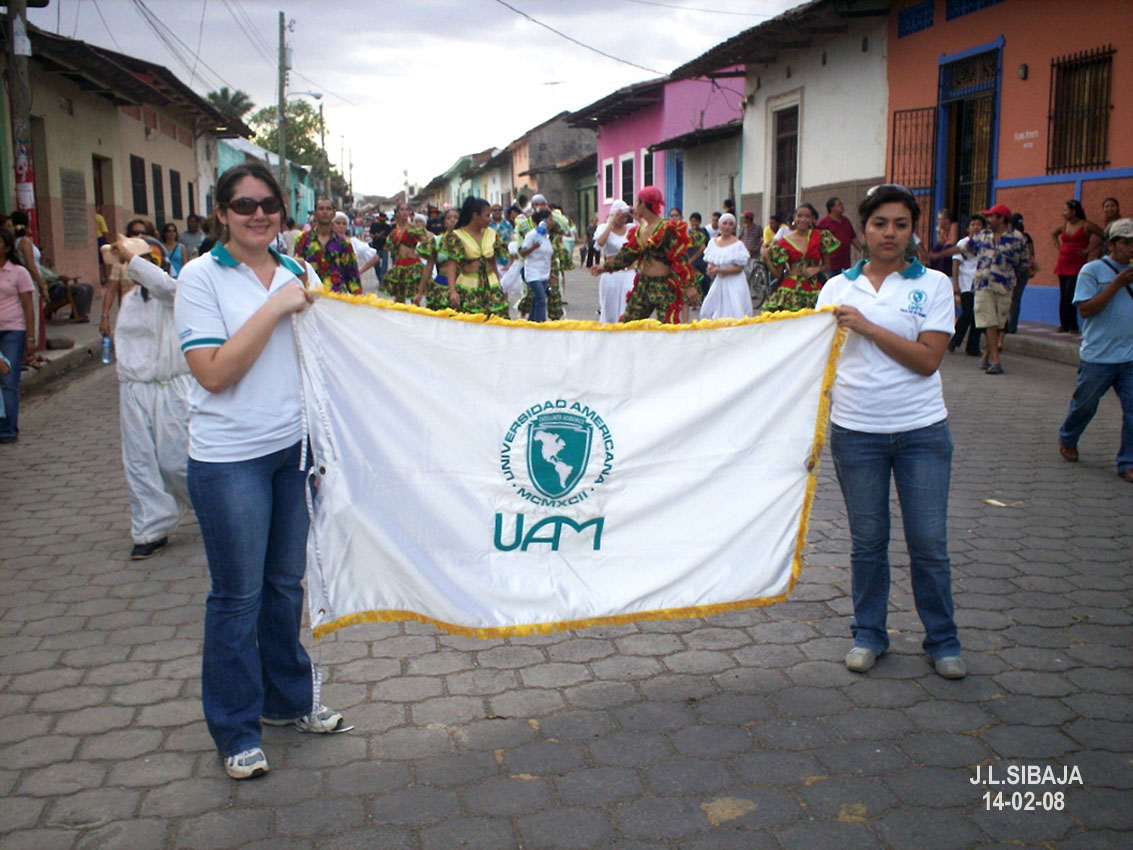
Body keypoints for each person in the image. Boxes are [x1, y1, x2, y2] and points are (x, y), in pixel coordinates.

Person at [174, 161, 345, 781]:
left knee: (283, 587)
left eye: (268, 204)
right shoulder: (198, 278)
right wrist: (275, 306)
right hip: (229, 462)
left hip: (291, 455)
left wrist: (323, 449)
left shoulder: (300, 270)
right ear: (221, 212)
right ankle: (235, 729)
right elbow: (215, 372)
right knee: (236, 597)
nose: (258, 215)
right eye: (243, 205)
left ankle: (288, 700)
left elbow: (317, 366)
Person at [816, 183, 965, 680]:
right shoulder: (837, 288)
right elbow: (815, 361)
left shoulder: (935, 285)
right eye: (880, 224)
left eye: (901, 224)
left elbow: (927, 361)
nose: (890, 233)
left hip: (921, 431)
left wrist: (868, 327)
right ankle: (868, 634)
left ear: (912, 230)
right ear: (864, 229)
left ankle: (942, 641)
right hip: (856, 432)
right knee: (867, 541)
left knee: (928, 543)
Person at [100, 235, 192, 560]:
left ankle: (215, 505)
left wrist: (134, 258)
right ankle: (150, 528)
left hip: (170, 390)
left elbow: (164, 286)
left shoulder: (176, 292)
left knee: (175, 461)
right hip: (134, 390)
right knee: (139, 462)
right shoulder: (131, 300)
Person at [1057, 218, 1133, 483]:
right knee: (1085, 406)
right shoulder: (1092, 271)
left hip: (1129, 356)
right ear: (1112, 244)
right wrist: (1117, 284)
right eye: (1126, 242)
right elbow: (1086, 310)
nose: (1131, 248)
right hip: (1099, 356)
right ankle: (1068, 437)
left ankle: (1127, 461)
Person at [590, 186, 700, 323]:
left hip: (664, 286)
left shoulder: (666, 228)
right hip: (644, 285)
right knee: (628, 325)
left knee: (668, 329)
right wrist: (604, 267)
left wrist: (689, 285)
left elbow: (680, 259)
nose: (634, 207)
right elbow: (627, 255)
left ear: (643, 204)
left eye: (637, 202)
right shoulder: (640, 230)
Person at [964, 203, 1030, 375]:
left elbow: (1025, 264)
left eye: (991, 216)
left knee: (997, 323)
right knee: (988, 321)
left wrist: (1017, 286)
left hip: (1005, 286)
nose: (987, 219)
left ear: (1001, 219)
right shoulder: (982, 236)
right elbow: (965, 250)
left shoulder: (1018, 238)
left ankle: (985, 356)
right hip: (983, 284)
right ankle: (996, 361)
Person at [761, 202, 839, 312]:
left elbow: (827, 265)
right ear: (794, 218)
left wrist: (816, 269)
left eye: (807, 216)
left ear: (812, 219)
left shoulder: (820, 236)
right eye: (799, 216)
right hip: (791, 290)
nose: (803, 219)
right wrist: (767, 259)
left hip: (813, 288)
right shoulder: (784, 241)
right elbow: (778, 275)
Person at [439, 197, 510, 318]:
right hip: (468, 286)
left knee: (495, 323)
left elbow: (492, 263)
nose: (490, 219)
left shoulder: (492, 234)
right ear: (475, 216)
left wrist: (499, 286)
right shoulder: (458, 236)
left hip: (491, 285)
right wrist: (452, 291)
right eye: (487, 215)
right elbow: (452, 265)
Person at [0, 228, 35, 443]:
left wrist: (31, 337)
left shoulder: (19, 273)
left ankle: (8, 429)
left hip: (13, 330)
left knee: (8, 379)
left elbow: (28, 306)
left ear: (6, 247)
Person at [1051, 199, 1104, 333]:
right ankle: (1064, 324)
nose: (1064, 213)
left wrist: (1089, 249)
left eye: (1066, 210)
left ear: (1074, 211)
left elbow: (1103, 235)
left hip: (1077, 263)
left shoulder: (1086, 225)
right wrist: (1058, 246)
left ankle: (1073, 324)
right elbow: (1054, 234)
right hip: (1063, 261)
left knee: (1070, 293)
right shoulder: (1065, 225)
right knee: (1063, 293)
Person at [293, 198, 362, 294]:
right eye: (321, 209)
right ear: (315, 214)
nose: (325, 212)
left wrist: (357, 303)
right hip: (311, 297)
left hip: (337, 298)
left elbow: (352, 275)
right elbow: (297, 269)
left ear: (333, 214)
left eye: (328, 209)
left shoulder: (344, 244)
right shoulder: (302, 240)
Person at [10, 211, 48, 366]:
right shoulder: (24, 242)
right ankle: (29, 355)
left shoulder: (16, 241)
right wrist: (42, 284)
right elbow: (31, 266)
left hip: (24, 284)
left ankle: (29, 354)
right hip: (30, 283)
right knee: (31, 316)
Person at [701, 213, 753, 320]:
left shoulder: (738, 244)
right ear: (720, 226)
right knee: (708, 308)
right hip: (720, 280)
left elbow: (739, 268)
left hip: (735, 281)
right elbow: (711, 259)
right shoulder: (713, 242)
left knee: (735, 310)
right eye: (725, 223)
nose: (727, 226)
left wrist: (720, 270)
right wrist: (710, 268)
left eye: (730, 224)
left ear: (733, 227)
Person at [948, 214, 985, 356]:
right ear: (968, 227)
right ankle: (955, 340)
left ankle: (973, 347)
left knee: (979, 316)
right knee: (968, 313)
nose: (976, 227)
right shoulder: (962, 244)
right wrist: (955, 284)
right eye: (973, 224)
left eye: (979, 224)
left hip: (981, 284)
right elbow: (956, 264)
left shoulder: (986, 243)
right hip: (966, 284)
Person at [595, 200, 635, 324]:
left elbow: (646, 232)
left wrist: (636, 214)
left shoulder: (631, 228)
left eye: (625, 215)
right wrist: (610, 223)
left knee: (628, 308)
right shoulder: (603, 228)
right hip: (611, 274)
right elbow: (600, 243)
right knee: (610, 312)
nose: (624, 218)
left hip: (629, 273)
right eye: (620, 215)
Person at [383, 202, 430, 304]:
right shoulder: (395, 231)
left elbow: (427, 242)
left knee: (414, 299)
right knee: (399, 300)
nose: (404, 212)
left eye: (407, 210)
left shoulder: (412, 228)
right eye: (402, 209)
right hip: (399, 265)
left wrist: (419, 254)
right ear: (397, 212)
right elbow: (388, 247)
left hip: (412, 265)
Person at [415, 207, 459, 310]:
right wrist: (420, 292)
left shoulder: (467, 241)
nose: (452, 220)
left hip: (463, 285)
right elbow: (428, 267)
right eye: (449, 218)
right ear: (444, 222)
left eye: (456, 217)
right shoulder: (437, 241)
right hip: (441, 284)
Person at [1005, 212, 1038, 335]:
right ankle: (1012, 325)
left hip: (1012, 270)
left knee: (1008, 298)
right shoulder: (1027, 237)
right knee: (1016, 299)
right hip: (1023, 270)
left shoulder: (1011, 237)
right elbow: (1032, 255)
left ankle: (1007, 325)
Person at [518, 208, 553, 322]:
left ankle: (531, 321)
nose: (552, 222)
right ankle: (540, 324)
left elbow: (547, 256)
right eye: (549, 220)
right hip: (533, 273)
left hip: (544, 273)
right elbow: (522, 252)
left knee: (536, 300)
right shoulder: (532, 235)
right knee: (541, 299)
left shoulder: (546, 237)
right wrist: (533, 247)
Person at [817, 197, 863, 279]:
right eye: (839, 205)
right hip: (831, 264)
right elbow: (818, 241)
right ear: (832, 208)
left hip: (845, 263)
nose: (842, 206)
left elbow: (853, 238)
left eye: (842, 204)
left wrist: (862, 251)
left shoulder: (846, 221)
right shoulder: (824, 222)